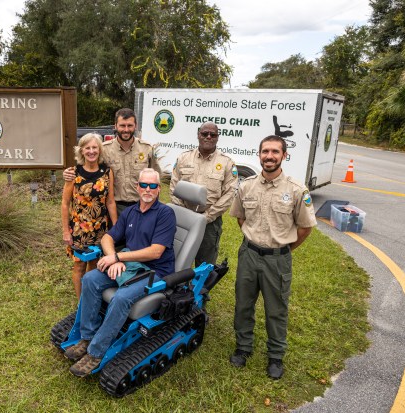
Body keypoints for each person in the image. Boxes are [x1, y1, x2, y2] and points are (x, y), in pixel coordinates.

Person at [65, 168, 176, 377]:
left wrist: (118, 258)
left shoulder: (165, 214)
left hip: (155, 271)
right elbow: (108, 238)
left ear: (159, 189)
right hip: (130, 264)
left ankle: (96, 352)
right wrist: (111, 257)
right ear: (137, 187)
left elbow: (156, 251)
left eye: (153, 186)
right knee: (89, 279)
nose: (148, 189)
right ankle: (88, 336)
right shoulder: (131, 212)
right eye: (144, 185)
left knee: (121, 297)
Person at [228, 135, 317, 380]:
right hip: (249, 254)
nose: (269, 156)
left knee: (276, 309)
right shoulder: (246, 186)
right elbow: (240, 218)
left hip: (278, 259)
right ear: (259, 155)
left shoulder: (297, 190)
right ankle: (243, 347)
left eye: (275, 152)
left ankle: (276, 356)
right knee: (243, 304)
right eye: (265, 151)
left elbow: (305, 227)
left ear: (284, 156)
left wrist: (283, 249)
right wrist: (255, 241)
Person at [64, 108, 162, 215]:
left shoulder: (147, 149)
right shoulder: (104, 150)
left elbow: (156, 179)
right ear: (115, 126)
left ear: (135, 126)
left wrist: (155, 206)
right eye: (122, 125)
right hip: (114, 206)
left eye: (129, 125)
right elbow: (86, 167)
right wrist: (68, 173)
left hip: (141, 206)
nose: (126, 129)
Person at [170, 121, 238, 267]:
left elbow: (229, 195)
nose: (208, 137)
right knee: (179, 258)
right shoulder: (184, 158)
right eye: (204, 133)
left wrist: (205, 217)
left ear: (217, 138)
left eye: (212, 134)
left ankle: (201, 290)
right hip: (183, 220)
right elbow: (174, 186)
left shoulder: (226, 163)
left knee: (204, 266)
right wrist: (183, 213)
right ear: (198, 135)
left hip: (210, 223)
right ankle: (180, 289)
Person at [61, 133, 118, 298]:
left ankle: (89, 298)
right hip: (79, 229)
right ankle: (81, 303)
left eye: (95, 147)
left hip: (100, 229)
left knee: (94, 264)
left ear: (100, 150)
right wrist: (66, 231)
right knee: (79, 266)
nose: (91, 151)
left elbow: (111, 202)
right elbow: (65, 204)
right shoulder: (73, 173)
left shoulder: (107, 172)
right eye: (87, 148)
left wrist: (116, 228)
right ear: (81, 151)